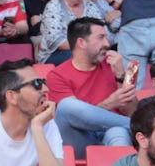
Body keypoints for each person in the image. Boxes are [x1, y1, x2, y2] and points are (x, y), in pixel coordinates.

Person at [49, 18, 137, 156]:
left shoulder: (114, 65)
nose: (107, 44)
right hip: (79, 139)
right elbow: (74, 117)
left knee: (118, 131)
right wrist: (110, 104)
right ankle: (141, 125)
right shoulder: (56, 75)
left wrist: (121, 75)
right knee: (66, 105)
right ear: (81, 43)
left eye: (106, 38)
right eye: (101, 38)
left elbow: (132, 110)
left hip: (112, 133)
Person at [37, 0, 111, 66]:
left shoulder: (91, 7)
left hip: (91, 51)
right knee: (79, 57)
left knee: (110, 57)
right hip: (55, 55)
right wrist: (87, 48)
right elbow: (56, 41)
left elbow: (105, 34)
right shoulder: (54, 6)